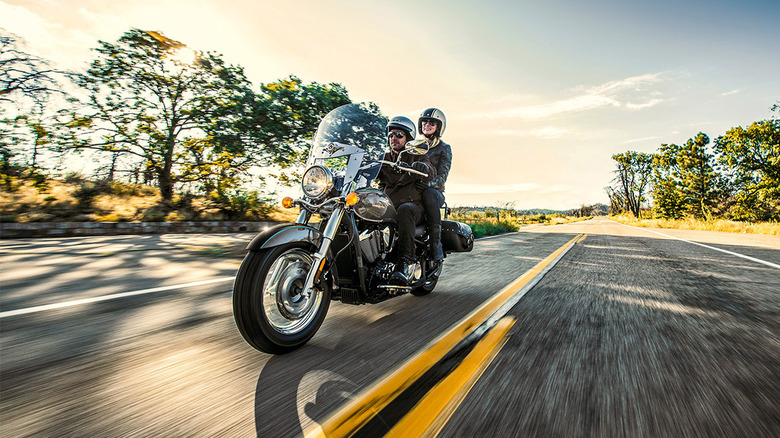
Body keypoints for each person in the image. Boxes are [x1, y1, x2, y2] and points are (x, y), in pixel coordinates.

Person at [377, 116, 436, 286]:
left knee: (405, 209)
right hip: (387, 206)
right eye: (390, 135)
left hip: (412, 207)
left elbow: (430, 170)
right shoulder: (384, 157)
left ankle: (405, 263)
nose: (393, 138)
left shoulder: (416, 155)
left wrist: (423, 168)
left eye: (398, 135)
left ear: (408, 139)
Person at [416, 108, 452, 261]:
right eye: (425, 121)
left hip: (434, 193)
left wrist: (429, 184)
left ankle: (436, 243)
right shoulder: (414, 146)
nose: (427, 124)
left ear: (439, 127)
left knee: (428, 194)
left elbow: (443, 175)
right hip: (415, 189)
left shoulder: (444, 148)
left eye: (432, 122)